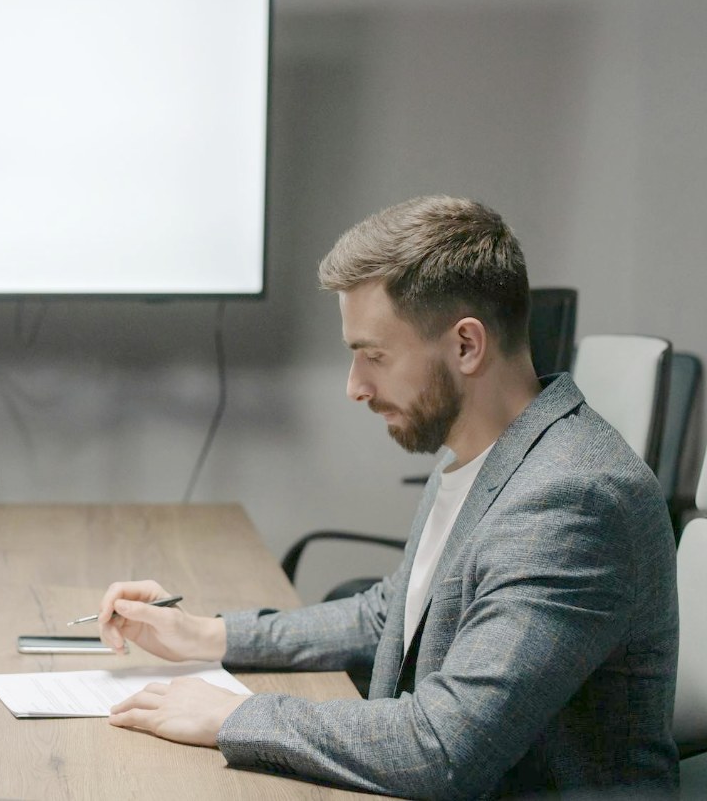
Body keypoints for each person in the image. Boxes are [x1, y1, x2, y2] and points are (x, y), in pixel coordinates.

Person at [96, 196, 678, 799]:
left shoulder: (572, 498)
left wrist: (231, 716)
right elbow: (388, 616)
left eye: (373, 355)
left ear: (466, 346)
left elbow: (445, 748)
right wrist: (206, 635)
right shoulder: (482, 454)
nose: (356, 387)